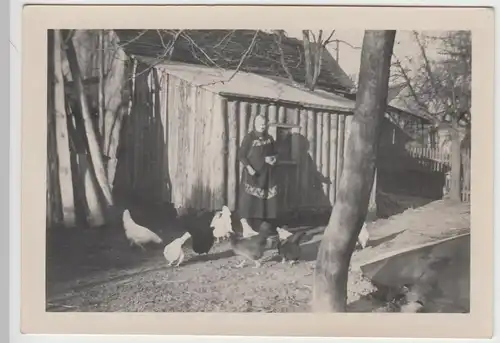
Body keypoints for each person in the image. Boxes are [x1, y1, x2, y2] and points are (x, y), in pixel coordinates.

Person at [237, 115, 278, 235]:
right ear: (255, 123)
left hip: (266, 175)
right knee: (249, 200)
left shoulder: (269, 138)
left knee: (264, 201)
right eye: (260, 123)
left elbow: (275, 153)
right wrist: (249, 168)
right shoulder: (249, 138)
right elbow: (241, 155)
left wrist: (274, 159)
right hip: (253, 175)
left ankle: (260, 227)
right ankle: (246, 227)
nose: (262, 125)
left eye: (264, 123)